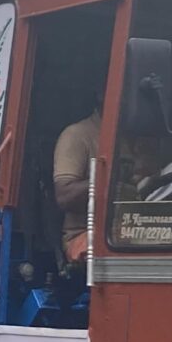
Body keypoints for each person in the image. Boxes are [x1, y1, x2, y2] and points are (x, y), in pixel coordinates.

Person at [52, 105, 101, 264]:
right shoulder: (77, 135)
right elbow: (64, 196)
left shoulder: (140, 137)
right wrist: (112, 180)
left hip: (133, 229)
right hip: (84, 234)